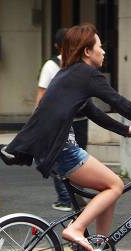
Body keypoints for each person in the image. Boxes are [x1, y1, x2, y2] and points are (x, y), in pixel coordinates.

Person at [0, 23, 131, 251]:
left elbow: (93, 112)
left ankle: (102, 244)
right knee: (115, 185)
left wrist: (127, 130)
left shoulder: (70, 73)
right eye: (100, 47)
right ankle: (77, 229)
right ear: (87, 52)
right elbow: (121, 104)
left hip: (53, 148)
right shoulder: (86, 74)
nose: (104, 51)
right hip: (63, 149)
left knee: (107, 187)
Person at [36, 28, 89, 212]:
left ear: (56, 45)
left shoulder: (51, 66)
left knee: (61, 158)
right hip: (81, 119)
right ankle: (74, 196)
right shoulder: (81, 64)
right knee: (77, 159)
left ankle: (67, 199)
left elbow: (41, 97)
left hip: (64, 121)